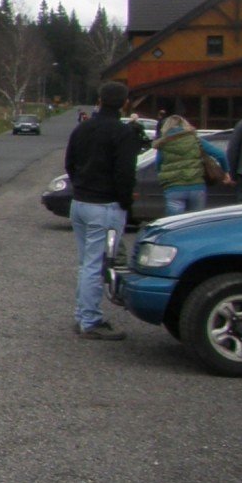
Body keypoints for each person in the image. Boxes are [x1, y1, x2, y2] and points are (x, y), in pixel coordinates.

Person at [63, 80, 140, 340]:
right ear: (124, 103)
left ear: (99, 99)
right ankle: (90, 320)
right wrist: (126, 202)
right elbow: (125, 173)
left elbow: (70, 163)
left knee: (86, 263)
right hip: (105, 205)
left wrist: (81, 185)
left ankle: (82, 314)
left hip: (80, 203)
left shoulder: (82, 129)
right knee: (96, 265)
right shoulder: (122, 133)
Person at [151, 114, 226, 216]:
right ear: (185, 125)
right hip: (197, 186)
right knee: (194, 223)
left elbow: (158, 165)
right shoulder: (196, 140)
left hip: (174, 188)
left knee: (175, 224)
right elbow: (220, 155)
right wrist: (226, 171)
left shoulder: (163, 143)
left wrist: (165, 179)